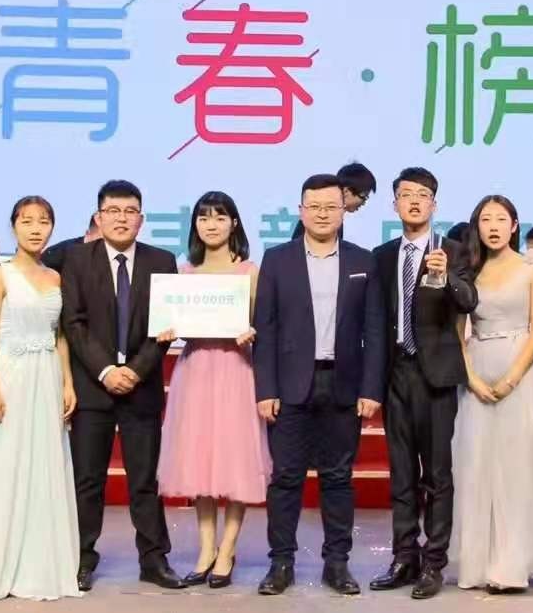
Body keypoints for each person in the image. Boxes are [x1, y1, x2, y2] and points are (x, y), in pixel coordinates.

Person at [253, 173, 385, 596]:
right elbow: (265, 328)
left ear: (343, 210)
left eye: (331, 207)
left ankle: (337, 563)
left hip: (343, 384)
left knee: (338, 478)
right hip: (290, 385)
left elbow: (375, 330)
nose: (323, 214)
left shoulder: (363, 261)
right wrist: (265, 390)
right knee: (286, 478)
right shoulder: (277, 259)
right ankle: (281, 563)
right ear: (301, 211)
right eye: (314, 207)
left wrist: (371, 389)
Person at [61, 180, 183, 592]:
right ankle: (81, 558)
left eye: (130, 211)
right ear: (98, 217)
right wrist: (105, 371)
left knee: (145, 480)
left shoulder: (161, 260)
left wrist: (135, 370)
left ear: (141, 219)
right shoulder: (78, 259)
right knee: (88, 479)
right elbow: (74, 323)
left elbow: (165, 327)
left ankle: (154, 559)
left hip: (141, 386)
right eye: (113, 211)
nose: (121, 219)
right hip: (93, 388)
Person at [0, 196, 81, 603]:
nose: (35, 229)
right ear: (13, 226)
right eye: (27, 221)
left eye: (43, 221)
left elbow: (59, 336)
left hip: (46, 378)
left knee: (44, 467)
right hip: (11, 376)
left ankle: (38, 566)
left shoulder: (55, 277)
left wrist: (67, 382)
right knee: (6, 466)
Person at [368, 168, 477, 599]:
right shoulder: (381, 256)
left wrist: (448, 277)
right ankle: (404, 557)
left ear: (434, 204)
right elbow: (375, 321)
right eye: (406, 194)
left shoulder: (453, 250)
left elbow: (469, 300)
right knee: (401, 473)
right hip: (396, 372)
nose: (414, 201)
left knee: (437, 474)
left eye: (423, 195)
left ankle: (434, 562)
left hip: (436, 376)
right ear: (394, 203)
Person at [452, 195, 533, 592]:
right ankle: (479, 562)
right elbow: (458, 331)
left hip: (522, 372)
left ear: (515, 225)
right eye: (486, 219)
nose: (493, 226)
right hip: (478, 369)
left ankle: (512, 563)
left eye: (501, 219)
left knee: (517, 468)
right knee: (477, 466)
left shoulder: (532, 270)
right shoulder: (468, 271)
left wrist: (512, 379)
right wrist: (471, 378)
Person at [157, 191, 268, 590]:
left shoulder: (250, 272)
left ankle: (228, 549)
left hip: (235, 369)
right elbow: (173, 323)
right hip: (195, 369)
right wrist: (166, 330)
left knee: (235, 459)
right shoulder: (183, 273)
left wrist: (252, 331)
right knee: (199, 460)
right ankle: (206, 549)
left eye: (220, 217)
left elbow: (263, 324)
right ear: (195, 226)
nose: (211, 225)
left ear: (233, 223)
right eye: (204, 218)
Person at [291, 161, 376, 241]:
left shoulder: (336, 218)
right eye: (363, 197)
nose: (364, 203)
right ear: (346, 191)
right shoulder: (322, 216)